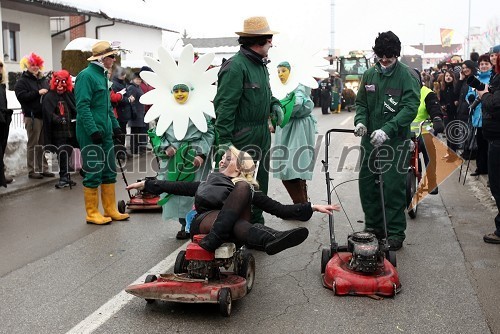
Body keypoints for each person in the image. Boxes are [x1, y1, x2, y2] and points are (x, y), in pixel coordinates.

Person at [126, 146, 340, 253]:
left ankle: (270, 238)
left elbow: (281, 209)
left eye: (227, 158)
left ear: (238, 167)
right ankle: (269, 237)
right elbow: (175, 186)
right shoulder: (207, 182)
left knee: (244, 189)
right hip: (204, 223)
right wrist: (147, 184)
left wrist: (312, 206)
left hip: (230, 229)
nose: (221, 160)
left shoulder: (244, 188)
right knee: (236, 214)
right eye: (222, 157)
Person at [353, 31, 420, 251]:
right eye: (380, 57)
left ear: (396, 56)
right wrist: (361, 122)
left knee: (392, 188)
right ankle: (374, 228)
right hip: (370, 140)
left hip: (395, 141)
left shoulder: (406, 76)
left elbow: (410, 108)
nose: (384, 62)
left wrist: (388, 129)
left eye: (388, 58)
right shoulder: (370, 75)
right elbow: (361, 103)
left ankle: (395, 233)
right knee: (368, 185)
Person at [213, 16, 282, 225]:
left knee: (259, 182)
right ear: (261, 40)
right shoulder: (235, 67)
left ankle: (256, 223)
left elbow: (266, 94)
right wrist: (224, 141)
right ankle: (235, 227)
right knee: (239, 185)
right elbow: (224, 106)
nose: (272, 43)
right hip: (241, 137)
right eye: (270, 39)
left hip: (261, 133)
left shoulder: (261, 65)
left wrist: (274, 104)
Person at [74, 40, 129, 225]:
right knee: (94, 170)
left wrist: (115, 127)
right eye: (111, 56)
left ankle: (110, 209)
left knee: (109, 169)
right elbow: (82, 106)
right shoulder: (86, 76)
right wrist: (92, 130)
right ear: (102, 58)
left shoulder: (102, 76)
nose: (114, 59)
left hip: (105, 131)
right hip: (91, 132)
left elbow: (106, 108)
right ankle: (92, 213)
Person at [151, 83, 214, 239]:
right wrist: (165, 147)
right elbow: (157, 133)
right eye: (176, 91)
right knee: (174, 192)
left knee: (194, 191)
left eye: (183, 91)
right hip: (173, 158)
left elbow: (209, 132)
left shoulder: (201, 112)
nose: (179, 94)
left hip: (193, 156)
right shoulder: (165, 111)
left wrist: (201, 154)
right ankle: (183, 223)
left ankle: (194, 223)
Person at [272, 61, 317, 204]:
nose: (280, 74)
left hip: (297, 130)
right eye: (278, 71)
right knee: (289, 168)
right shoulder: (282, 86)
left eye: (284, 71)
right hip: (286, 128)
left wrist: (279, 109)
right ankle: (302, 204)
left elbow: (297, 103)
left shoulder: (298, 85)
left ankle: (301, 205)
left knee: (292, 168)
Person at [14, 52, 54, 180]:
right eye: (32, 65)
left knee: (42, 144)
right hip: (32, 117)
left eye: (37, 65)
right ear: (27, 65)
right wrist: (37, 93)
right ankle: (32, 170)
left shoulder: (43, 80)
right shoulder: (22, 81)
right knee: (33, 144)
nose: (35, 67)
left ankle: (43, 168)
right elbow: (21, 97)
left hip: (43, 116)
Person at [476, 49, 500, 244]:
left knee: (498, 186)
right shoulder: (496, 79)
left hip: (498, 141)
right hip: (493, 138)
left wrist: (484, 95)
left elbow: (495, 104)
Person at [410, 68, 445, 195]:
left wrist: (436, 118)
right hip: (403, 133)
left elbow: (434, 106)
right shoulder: (399, 92)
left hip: (423, 131)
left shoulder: (427, 93)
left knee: (428, 146)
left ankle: (432, 180)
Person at [42, 70, 78, 189]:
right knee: (62, 153)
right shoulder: (50, 96)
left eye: (63, 82)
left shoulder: (68, 94)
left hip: (68, 130)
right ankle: (63, 177)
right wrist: (58, 119)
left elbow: (74, 107)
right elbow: (48, 112)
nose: (60, 85)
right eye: (58, 82)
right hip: (57, 131)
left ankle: (66, 176)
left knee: (67, 153)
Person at [466, 54, 492, 176]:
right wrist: (470, 98)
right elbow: (468, 95)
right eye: (481, 64)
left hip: (489, 117)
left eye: (486, 63)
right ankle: (480, 167)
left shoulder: (493, 78)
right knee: (480, 144)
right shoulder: (475, 79)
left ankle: (489, 170)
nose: (484, 66)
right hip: (477, 116)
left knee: (489, 146)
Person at [439, 69, 459, 159]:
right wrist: (442, 105)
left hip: (454, 113)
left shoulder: (455, 87)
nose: (448, 77)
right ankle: (449, 152)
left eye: (450, 76)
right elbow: (441, 100)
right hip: (446, 113)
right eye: (446, 76)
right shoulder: (443, 88)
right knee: (447, 133)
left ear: (453, 77)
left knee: (453, 133)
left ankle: (453, 153)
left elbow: (457, 98)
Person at [0, 59, 13, 187]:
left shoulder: (2, 86)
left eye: (0, 66)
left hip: (3, 122)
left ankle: (1, 176)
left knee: (2, 149)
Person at [127, 72, 147, 155]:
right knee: (135, 133)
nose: (139, 80)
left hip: (140, 113)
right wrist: (134, 112)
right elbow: (132, 100)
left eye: (140, 79)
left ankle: (138, 148)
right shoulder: (132, 88)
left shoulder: (138, 87)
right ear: (133, 79)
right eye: (137, 79)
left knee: (138, 132)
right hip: (135, 113)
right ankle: (134, 149)